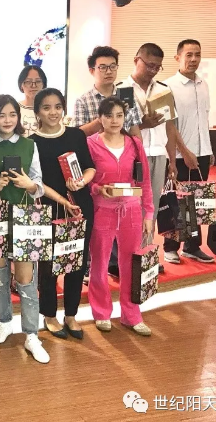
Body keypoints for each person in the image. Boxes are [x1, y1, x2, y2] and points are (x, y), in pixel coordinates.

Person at [0, 95, 49, 364]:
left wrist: (29, 185)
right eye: (0, 115)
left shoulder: (30, 144)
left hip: (26, 216)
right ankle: (4, 321)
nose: (7, 120)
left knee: (26, 278)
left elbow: (39, 184)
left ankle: (32, 333)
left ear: (19, 117)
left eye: (12, 114)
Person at [30, 88, 95, 339]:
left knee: (76, 261)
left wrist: (81, 182)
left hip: (79, 206)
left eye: (58, 106)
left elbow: (90, 168)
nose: (53, 112)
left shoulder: (76, 135)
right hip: (48, 208)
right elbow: (34, 181)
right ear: (37, 112)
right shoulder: (31, 142)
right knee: (49, 265)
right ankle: (49, 314)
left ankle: (71, 314)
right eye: (46, 107)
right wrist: (59, 198)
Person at [87, 97, 154, 336]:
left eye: (119, 115)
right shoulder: (90, 144)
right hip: (102, 211)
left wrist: (149, 212)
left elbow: (144, 181)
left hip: (131, 211)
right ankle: (101, 312)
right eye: (109, 115)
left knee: (131, 264)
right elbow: (85, 179)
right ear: (100, 118)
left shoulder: (134, 144)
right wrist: (97, 188)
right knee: (99, 264)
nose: (114, 120)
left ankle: (131, 314)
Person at [74, 46, 142, 277]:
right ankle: (93, 264)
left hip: (124, 162)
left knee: (123, 208)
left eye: (112, 66)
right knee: (98, 215)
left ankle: (118, 262)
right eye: (102, 67)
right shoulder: (84, 100)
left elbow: (134, 128)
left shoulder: (127, 95)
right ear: (92, 70)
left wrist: (138, 158)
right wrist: (104, 118)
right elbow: (78, 135)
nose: (108, 71)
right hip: (95, 166)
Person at [121, 43, 179, 274]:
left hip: (158, 154)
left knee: (150, 207)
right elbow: (118, 127)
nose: (153, 70)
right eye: (149, 65)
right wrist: (143, 124)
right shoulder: (123, 89)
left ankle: (145, 256)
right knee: (130, 207)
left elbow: (170, 127)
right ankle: (127, 257)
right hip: (132, 156)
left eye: (157, 67)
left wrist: (172, 160)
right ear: (137, 60)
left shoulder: (163, 90)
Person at [163, 39, 215, 264]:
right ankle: (170, 247)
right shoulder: (168, 86)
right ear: (178, 58)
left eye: (197, 54)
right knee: (176, 202)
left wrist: (208, 150)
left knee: (197, 202)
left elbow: (204, 119)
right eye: (189, 55)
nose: (194, 59)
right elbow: (169, 124)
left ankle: (192, 246)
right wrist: (183, 152)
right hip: (179, 155)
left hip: (202, 152)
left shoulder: (203, 84)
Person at [17, 65, 48, 136]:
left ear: (44, 85)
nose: (33, 86)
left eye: (38, 81)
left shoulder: (50, 109)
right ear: (21, 85)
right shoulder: (15, 108)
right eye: (28, 82)